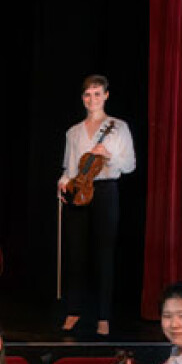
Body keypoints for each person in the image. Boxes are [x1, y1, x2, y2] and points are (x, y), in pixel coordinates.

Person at [56, 75, 136, 337]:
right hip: (79, 191)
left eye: (97, 94)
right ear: (83, 98)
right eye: (88, 95)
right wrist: (63, 183)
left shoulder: (119, 127)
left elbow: (130, 164)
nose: (92, 99)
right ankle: (74, 311)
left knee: (104, 254)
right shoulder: (73, 132)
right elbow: (69, 168)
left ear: (106, 96)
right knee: (75, 254)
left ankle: (103, 316)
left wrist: (108, 155)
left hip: (105, 191)